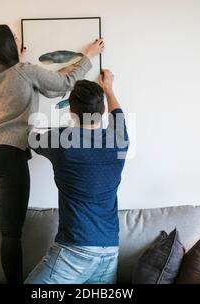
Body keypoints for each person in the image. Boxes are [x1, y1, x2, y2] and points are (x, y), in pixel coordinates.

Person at [0, 24, 104, 284]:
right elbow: (65, 83)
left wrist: (22, 63)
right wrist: (89, 57)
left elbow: (38, 86)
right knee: (11, 233)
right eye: (15, 39)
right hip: (7, 156)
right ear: (6, 46)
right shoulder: (23, 72)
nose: (20, 42)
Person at [25, 69, 129, 284]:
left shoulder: (62, 141)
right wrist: (108, 88)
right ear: (102, 111)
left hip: (75, 251)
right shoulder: (119, 140)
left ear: (71, 111)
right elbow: (118, 114)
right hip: (109, 251)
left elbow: (31, 139)